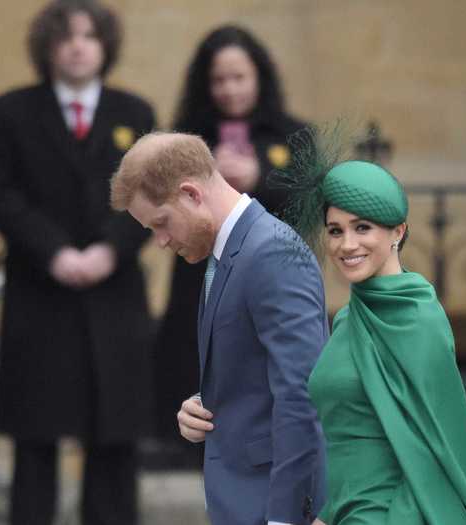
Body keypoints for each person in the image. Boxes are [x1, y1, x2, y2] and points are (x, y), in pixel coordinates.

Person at [0, 1, 155, 524]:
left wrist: (108, 249)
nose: (78, 46)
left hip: (113, 291)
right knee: (36, 440)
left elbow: (152, 195)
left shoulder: (135, 113)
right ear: (47, 47)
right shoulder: (8, 112)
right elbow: (3, 195)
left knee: (114, 440)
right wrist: (54, 251)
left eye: (89, 36)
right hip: (40, 290)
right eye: (66, 37)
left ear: (106, 46)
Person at [110, 132, 327, 525]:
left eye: (161, 223)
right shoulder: (228, 252)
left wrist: (284, 519)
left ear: (192, 193)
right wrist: (204, 403)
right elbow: (257, 371)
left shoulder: (270, 252)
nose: (160, 241)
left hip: (273, 508)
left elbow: (303, 394)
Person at [277, 156, 466, 524]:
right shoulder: (350, 318)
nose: (346, 244)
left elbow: (434, 452)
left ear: (398, 232)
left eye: (362, 227)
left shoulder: (418, 319)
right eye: (335, 231)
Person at [153, 25, 308, 454]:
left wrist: (259, 177)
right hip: (199, 279)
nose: (229, 89)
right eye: (219, 80)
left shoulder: (293, 135)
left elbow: (310, 203)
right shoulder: (185, 136)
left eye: (239, 78)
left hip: (270, 279)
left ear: (259, 77)